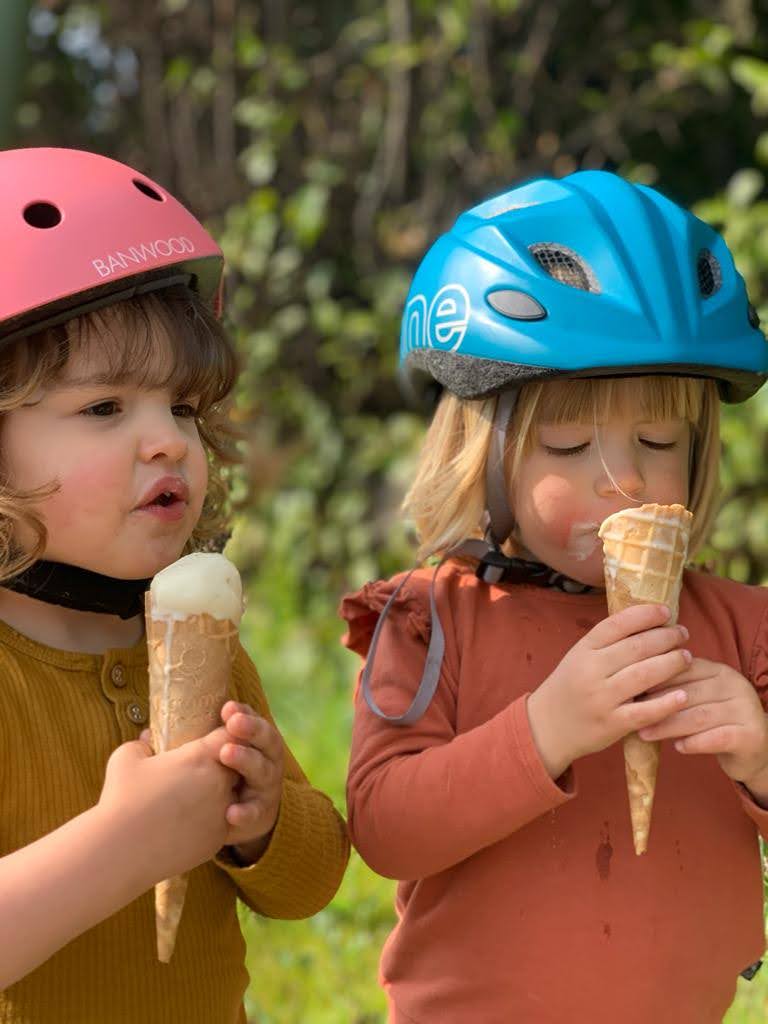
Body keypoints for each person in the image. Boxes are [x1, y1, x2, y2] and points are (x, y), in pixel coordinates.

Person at [341, 170, 768, 1023]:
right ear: (481, 453)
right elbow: (385, 829)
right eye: (568, 445)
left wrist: (759, 758)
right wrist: (546, 730)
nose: (624, 481)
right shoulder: (433, 619)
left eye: (658, 440)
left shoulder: (743, 626)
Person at [0, 147, 349, 1022]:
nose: (168, 441)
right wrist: (125, 844)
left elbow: (311, 884)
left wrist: (264, 823)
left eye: (183, 408)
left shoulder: (195, 645)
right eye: (104, 408)